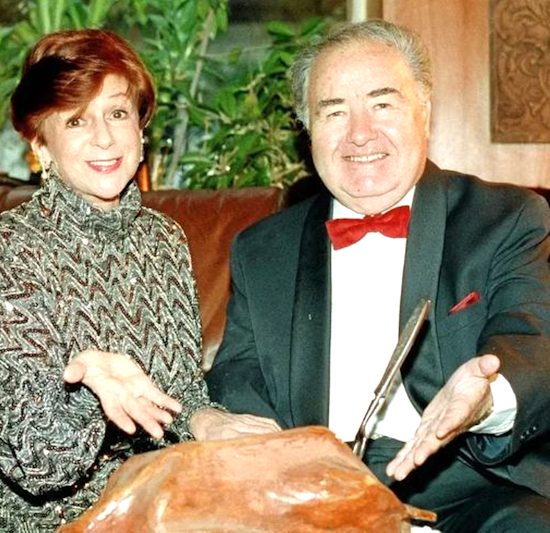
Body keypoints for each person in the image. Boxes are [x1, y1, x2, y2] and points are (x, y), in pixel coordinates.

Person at [206, 19, 550, 532]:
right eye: (334, 112)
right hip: (315, 500)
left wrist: (486, 398)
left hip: (472, 493)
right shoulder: (262, 249)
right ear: (308, 130)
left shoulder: (504, 218)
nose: (360, 133)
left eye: (382, 104)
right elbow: (238, 376)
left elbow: (531, 338)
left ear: (423, 111)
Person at [0, 28, 275, 532]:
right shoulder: (8, 248)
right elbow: (34, 461)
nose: (104, 137)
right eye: (76, 120)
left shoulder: (164, 239)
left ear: (140, 128)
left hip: (146, 491)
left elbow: (179, 389)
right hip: (27, 513)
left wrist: (209, 421)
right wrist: (93, 391)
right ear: (40, 143)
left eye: (117, 113)